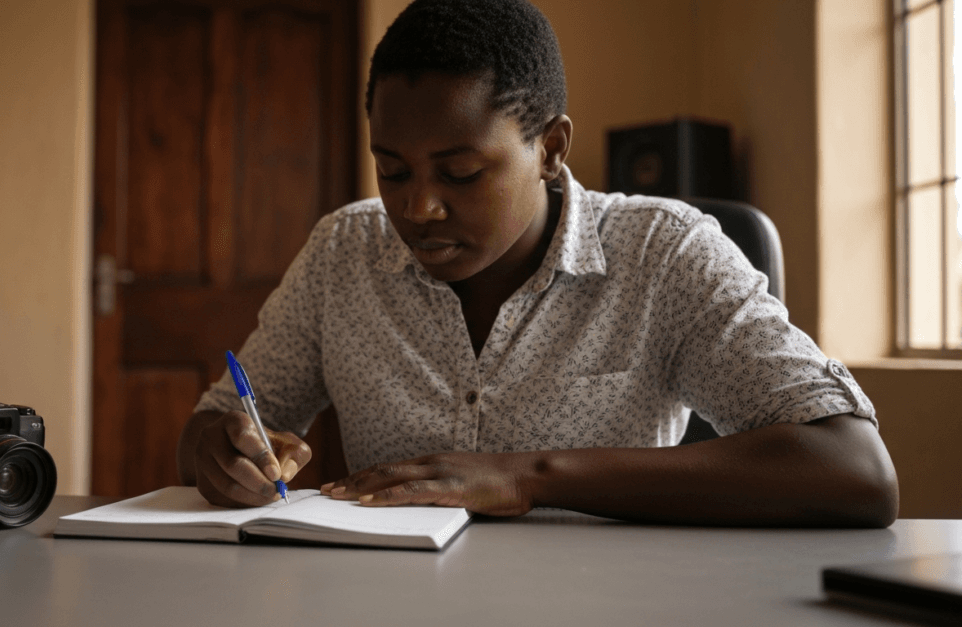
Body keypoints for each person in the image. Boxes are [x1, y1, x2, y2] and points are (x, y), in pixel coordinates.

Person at [177, 0, 898, 526]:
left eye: (459, 174)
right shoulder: (343, 252)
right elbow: (216, 424)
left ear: (551, 149)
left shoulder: (664, 254)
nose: (418, 208)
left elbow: (853, 470)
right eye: (392, 171)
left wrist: (531, 475)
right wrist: (221, 449)